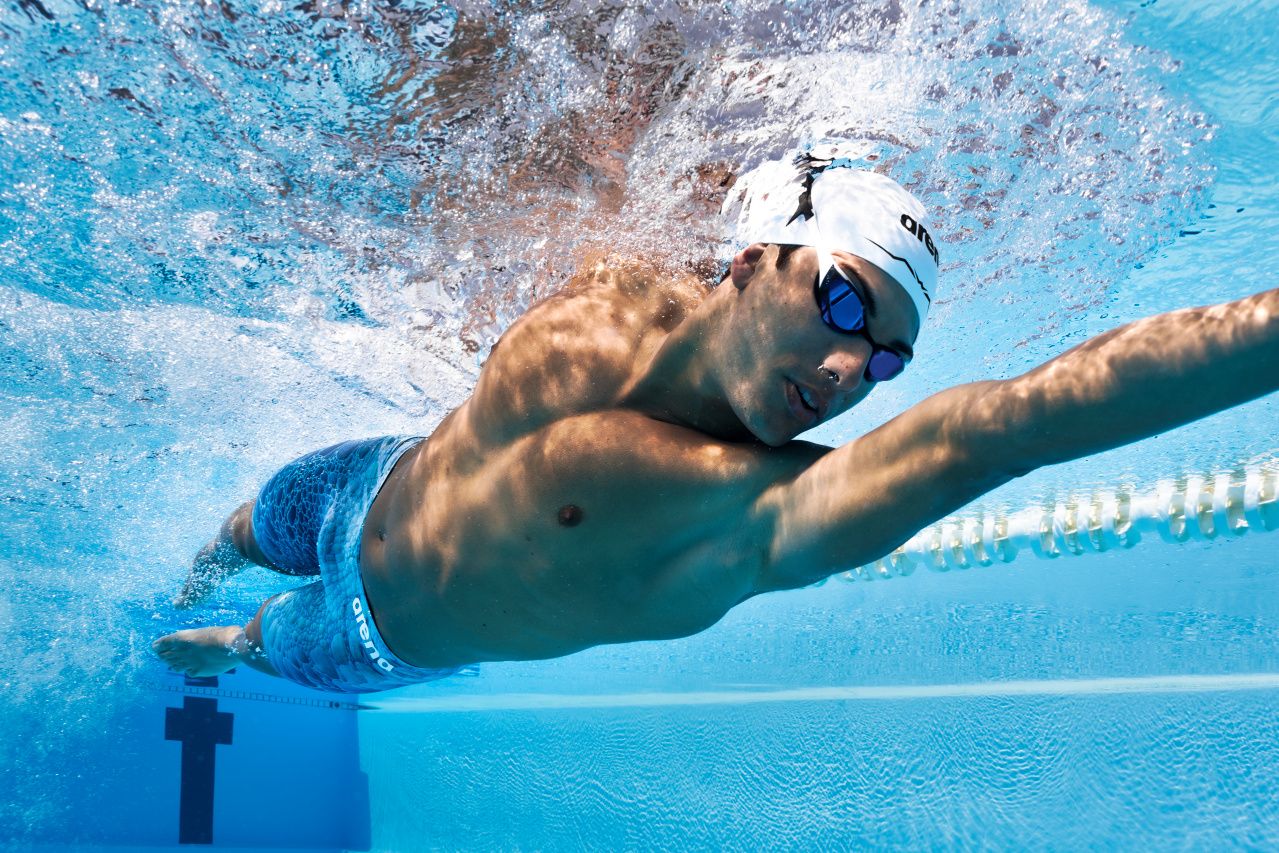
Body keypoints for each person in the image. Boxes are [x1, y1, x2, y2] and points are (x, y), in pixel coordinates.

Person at [153, 146, 1279, 692]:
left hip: (375, 637)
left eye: (886, 355)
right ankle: (200, 574)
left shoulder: (741, 515)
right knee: (243, 528)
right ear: (751, 256)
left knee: (248, 640)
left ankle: (221, 642)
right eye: (844, 299)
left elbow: (1004, 424)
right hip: (364, 477)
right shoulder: (614, 289)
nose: (850, 367)